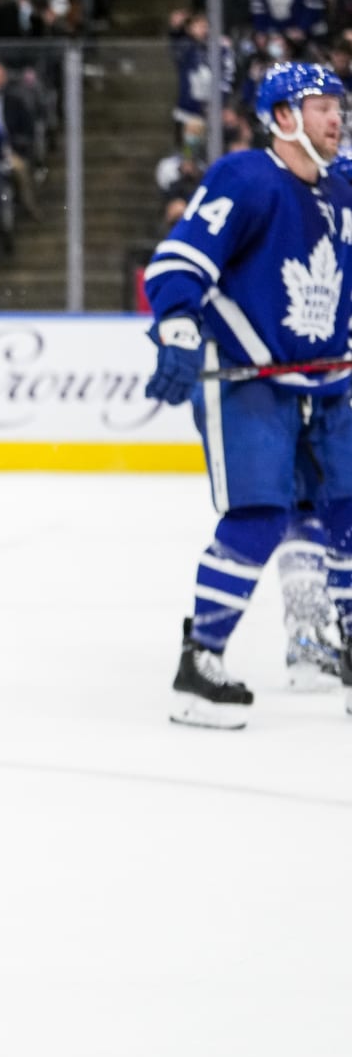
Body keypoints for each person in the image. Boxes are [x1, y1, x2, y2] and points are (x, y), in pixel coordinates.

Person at [143, 62, 352, 726]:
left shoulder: (343, 189)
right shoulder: (245, 177)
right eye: (322, 106)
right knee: (260, 517)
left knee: (346, 512)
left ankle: (340, 654)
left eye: (339, 106)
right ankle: (200, 666)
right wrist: (177, 330)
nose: (337, 117)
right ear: (284, 116)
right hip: (251, 380)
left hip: (330, 381)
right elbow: (179, 261)